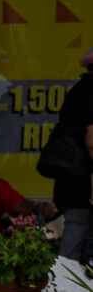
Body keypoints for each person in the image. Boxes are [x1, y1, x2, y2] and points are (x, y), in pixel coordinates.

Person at [44, 50, 93, 263]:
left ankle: (63, 291)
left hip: (71, 183)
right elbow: (92, 140)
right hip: (86, 183)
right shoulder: (92, 92)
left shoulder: (78, 90)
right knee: (77, 241)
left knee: (73, 243)